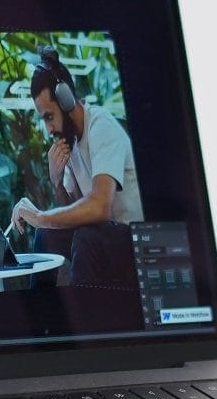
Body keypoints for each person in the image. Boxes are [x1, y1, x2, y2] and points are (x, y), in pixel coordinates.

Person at [8, 48, 144, 286]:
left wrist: (39, 216)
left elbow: (100, 207)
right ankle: (41, 314)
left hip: (136, 241)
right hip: (105, 238)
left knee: (86, 235)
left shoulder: (100, 126)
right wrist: (56, 180)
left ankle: (86, 317)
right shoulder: (69, 141)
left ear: (66, 99)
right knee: (46, 235)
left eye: (49, 117)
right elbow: (72, 211)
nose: (48, 129)